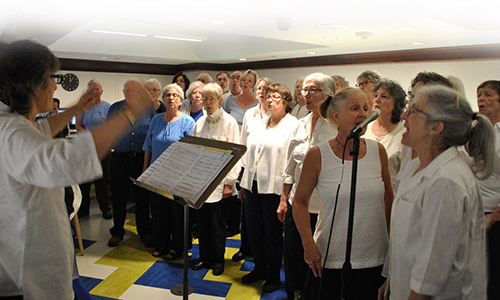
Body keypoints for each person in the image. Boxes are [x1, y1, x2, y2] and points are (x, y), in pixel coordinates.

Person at [0, 39, 153, 300]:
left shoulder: (15, 122)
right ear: (31, 86)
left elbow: (44, 130)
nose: (54, 85)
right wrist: (130, 114)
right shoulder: (12, 132)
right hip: (26, 275)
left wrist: (77, 108)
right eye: (50, 78)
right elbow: (68, 161)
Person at [378, 85, 494, 299]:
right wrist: (393, 279)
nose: (404, 115)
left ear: (435, 127)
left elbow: (431, 272)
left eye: (413, 111)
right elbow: (411, 242)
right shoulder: (417, 166)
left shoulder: (446, 181)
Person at [293, 87, 392, 300]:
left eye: (366, 108)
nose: (363, 114)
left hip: (375, 256)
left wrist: (392, 244)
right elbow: (300, 201)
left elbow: (388, 198)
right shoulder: (318, 154)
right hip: (331, 256)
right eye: (355, 108)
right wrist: (308, 244)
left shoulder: (378, 152)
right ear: (336, 115)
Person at [277, 73, 338, 300]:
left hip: (324, 208)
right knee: (293, 256)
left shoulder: (336, 127)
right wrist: (284, 199)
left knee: (319, 261)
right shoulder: (300, 124)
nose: (306, 95)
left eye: (314, 90)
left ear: (329, 94)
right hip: (297, 204)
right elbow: (289, 166)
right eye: (304, 90)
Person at [239, 83, 300, 293]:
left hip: (274, 188)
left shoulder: (293, 125)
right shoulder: (261, 122)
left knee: (272, 234)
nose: (270, 100)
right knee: (254, 231)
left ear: (286, 102)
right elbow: (248, 153)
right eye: (269, 96)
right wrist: (243, 183)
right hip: (253, 184)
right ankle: (259, 268)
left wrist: (285, 197)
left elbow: (292, 162)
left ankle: (273, 275)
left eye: (276, 97)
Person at [191, 83, 240, 276]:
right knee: (202, 224)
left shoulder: (229, 122)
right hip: (202, 181)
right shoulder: (199, 123)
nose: (207, 102)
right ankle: (204, 257)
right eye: (204, 98)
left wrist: (230, 182)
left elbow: (236, 154)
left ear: (220, 100)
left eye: (211, 98)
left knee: (218, 225)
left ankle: (218, 260)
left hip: (221, 183)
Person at [143, 83, 195, 260]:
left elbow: (192, 151)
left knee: (177, 214)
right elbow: (148, 146)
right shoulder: (156, 120)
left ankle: (178, 247)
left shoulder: (188, 122)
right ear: (163, 99)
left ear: (181, 100)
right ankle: (161, 244)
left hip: (178, 176)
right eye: (167, 95)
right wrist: (145, 171)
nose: (171, 98)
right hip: (156, 175)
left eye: (175, 95)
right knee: (158, 212)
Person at [107, 80, 157, 247]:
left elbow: (151, 134)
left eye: (133, 91)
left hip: (141, 159)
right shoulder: (115, 108)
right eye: (127, 90)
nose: (130, 93)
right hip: (120, 158)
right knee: (118, 197)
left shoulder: (148, 109)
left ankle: (144, 231)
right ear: (123, 92)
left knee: (142, 198)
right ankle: (117, 231)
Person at [230, 77, 273, 261]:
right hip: (248, 170)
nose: (261, 92)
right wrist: (241, 171)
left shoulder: (276, 115)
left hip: (268, 174)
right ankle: (245, 248)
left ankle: (262, 255)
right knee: (247, 215)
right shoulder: (250, 114)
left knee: (265, 221)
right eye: (259, 88)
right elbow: (243, 144)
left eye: (265, 89)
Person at [476, 80, 500, 299]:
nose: (481, 99)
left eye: (488, 95)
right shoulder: (473, 131)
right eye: (479, 95)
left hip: (496, 217)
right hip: (472, 215)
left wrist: (493, 216)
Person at [75, 79, 112, 219]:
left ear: (101, 91)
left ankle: (105, 208)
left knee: (102, 179)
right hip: (87, 147)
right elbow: (78, 125)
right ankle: (83, 209)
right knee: (85, 179)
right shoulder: (83, 107)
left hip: (103, 147)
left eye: (97, 89)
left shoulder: (108, 107)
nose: (94, 92)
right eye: (91, 90)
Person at [363, 79, 407, 190]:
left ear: (396, 103)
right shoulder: (364, 129)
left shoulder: (404, 133)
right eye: (376, 95)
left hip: (392, 197)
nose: (377, 100)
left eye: (384, 97)